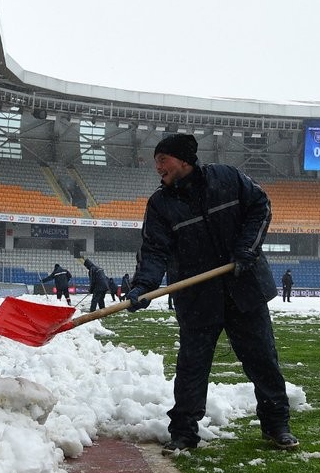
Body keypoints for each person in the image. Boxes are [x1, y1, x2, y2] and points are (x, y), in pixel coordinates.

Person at [123, 133, 298, 454]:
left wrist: (247, 248)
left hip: (244, 288)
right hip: (197, 296)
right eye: (156, 162)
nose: (157, 168)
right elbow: (154, 249)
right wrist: (143, 286)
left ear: (184, 159)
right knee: (192, 365)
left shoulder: (227, 178)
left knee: (262, 360)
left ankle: (276, 424)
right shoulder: (160, 204)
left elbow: (261, 206)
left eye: (163, 160)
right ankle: (184, 432)